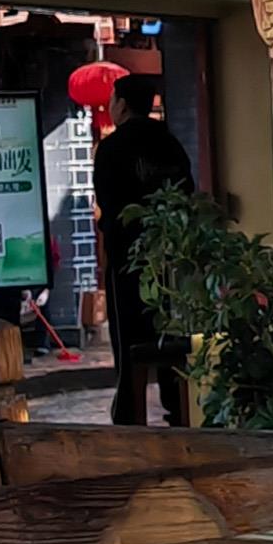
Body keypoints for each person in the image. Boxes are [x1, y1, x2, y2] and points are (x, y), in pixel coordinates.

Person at [90, 67, 196, 428]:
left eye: (112, 100)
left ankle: (129, 414)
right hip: (170, 255)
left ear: (121, 105)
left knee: (128, 338)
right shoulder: (169, 143)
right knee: (170, 331)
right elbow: (186, 193)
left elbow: (108, 204)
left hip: (127, 257)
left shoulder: (112, 148)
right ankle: (177, 408)